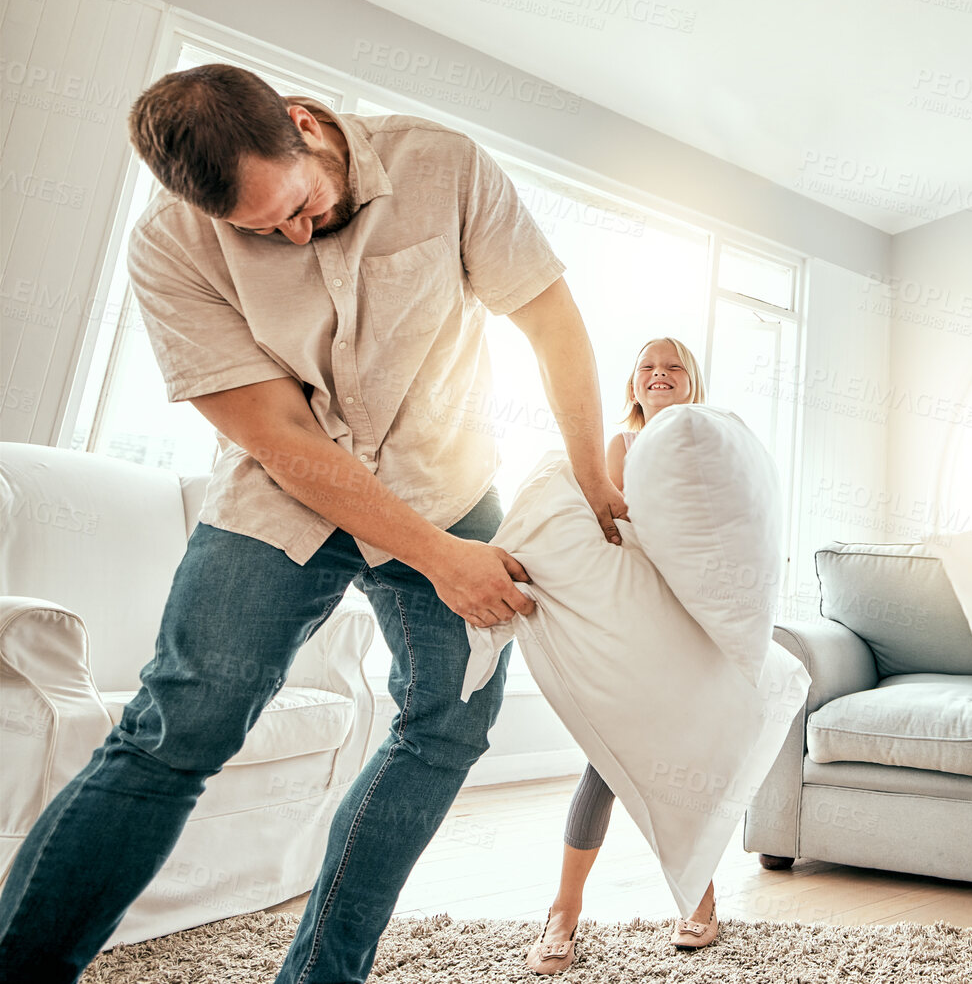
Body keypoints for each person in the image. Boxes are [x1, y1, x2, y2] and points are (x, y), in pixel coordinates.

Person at [0, 65, 627, 984]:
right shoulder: (170, 247)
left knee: (449, 723)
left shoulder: (442, 164)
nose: (293, 234)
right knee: (178, 728)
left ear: (303, 124)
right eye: (262, 233)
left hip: (446, 479)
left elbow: (548, 318)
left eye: (297, 205)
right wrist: (438, 561)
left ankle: (320, 976)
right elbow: (280, 433)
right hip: (282, 494)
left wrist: (585, 469)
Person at [526, 337, 721, 974]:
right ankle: (563, 909)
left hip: (689, 618)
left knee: (686, 759)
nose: (659, 374)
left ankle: (700, 897)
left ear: (692, 383)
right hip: (633, 615)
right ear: (632, 384)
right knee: (606, 759)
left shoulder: (708, 439)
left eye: (674, 367)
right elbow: (608, 524)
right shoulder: (620, 446)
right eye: (647, 367)